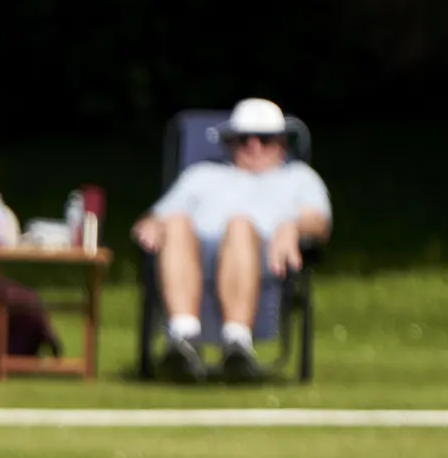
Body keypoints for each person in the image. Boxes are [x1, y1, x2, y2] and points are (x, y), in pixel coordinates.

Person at [133, 97, 331, 383]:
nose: (253, 145)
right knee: (174, 223)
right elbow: (154, 217)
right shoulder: (201, 175)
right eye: (243, 138)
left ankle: (236, 342)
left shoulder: (299, 178)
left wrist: (292, 225)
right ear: (229, 141)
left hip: (263, 262)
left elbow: (320, 223)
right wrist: (151, 225)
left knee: (239, 225)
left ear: (281, 143)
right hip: (191, 258)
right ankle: (182, 339)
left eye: (264, 139)